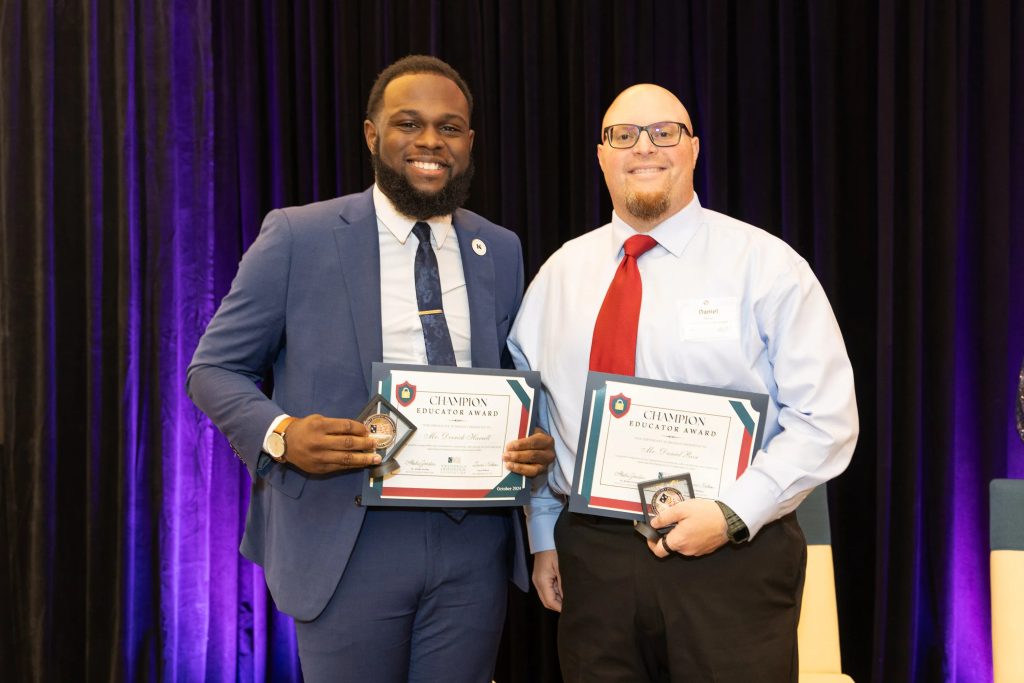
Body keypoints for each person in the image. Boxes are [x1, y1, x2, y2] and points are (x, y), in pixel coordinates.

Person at [188, 55, 554, 683]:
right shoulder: (299, 236)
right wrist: (282, 435)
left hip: (474, 542)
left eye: (449, 127)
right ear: (371, 134)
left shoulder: (499, 247)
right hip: (346, 534)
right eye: (409, 123)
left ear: (469, 142)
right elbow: (213, 368)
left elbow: (507, 377)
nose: (430, 141)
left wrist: (533, 439)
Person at [508, 84, 859, 682]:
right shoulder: (558, 276)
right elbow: (535, 422)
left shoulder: (767, 266)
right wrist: (544, 534)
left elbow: (826, 420)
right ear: (601, 156)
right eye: (624, 135)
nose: (644, 148)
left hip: (733, 560)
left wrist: (732, 514)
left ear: (693, 148)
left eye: (664, 132)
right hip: (594, 561)